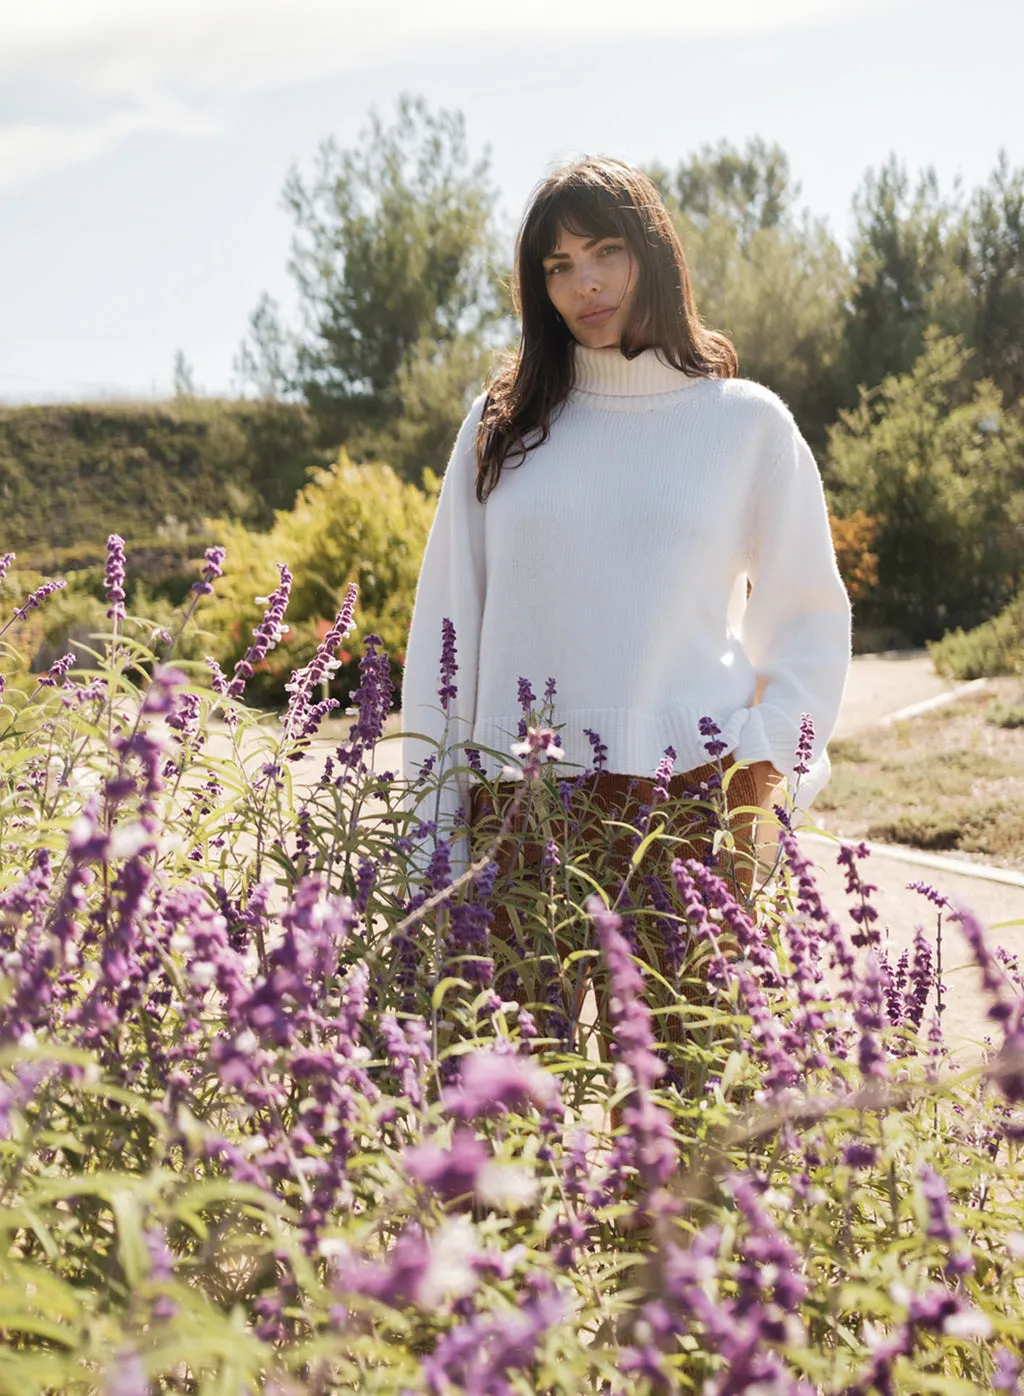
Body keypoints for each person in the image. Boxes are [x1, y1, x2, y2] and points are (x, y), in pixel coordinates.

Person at [401, 156, 851, 1010]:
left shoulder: (744, 424)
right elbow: (447, 624)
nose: (586, 285)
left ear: (654, 255)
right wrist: (434, 823)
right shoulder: (505, 424)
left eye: (605, 252)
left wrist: (758, 775)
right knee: (509, 1111)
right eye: (558, 267)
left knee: (684, 1117)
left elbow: (809, 621)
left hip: (688, 805)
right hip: (518, 805)